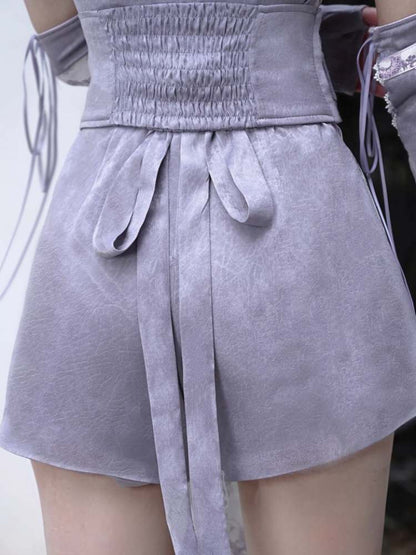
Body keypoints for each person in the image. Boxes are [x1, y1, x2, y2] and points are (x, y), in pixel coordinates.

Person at [1, 1, 416, 553]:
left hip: (109, 241)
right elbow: (408, 62)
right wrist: (297, 40)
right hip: (296, 240)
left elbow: (72, 50)